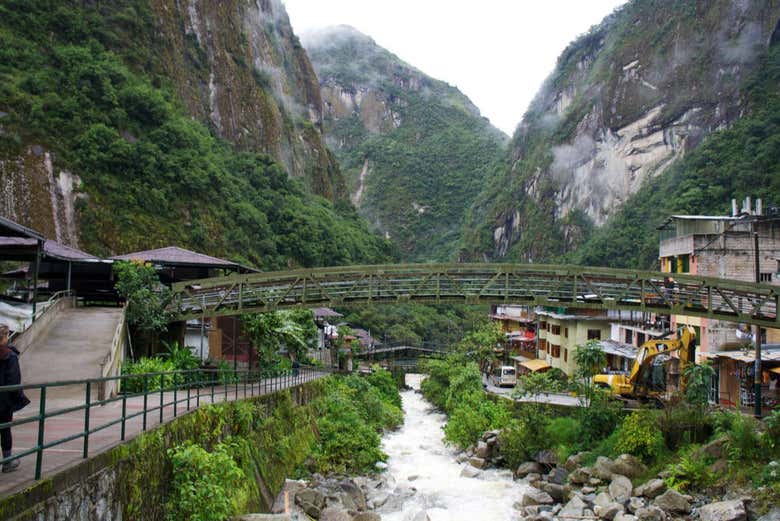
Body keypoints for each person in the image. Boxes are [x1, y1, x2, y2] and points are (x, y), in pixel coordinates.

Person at [0, 324, 29, 473]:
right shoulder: (9, 356)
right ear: (5, 337)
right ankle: (7, 461)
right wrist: (19, 399)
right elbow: (14, 381)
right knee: (5, 429)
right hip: (4, 402)